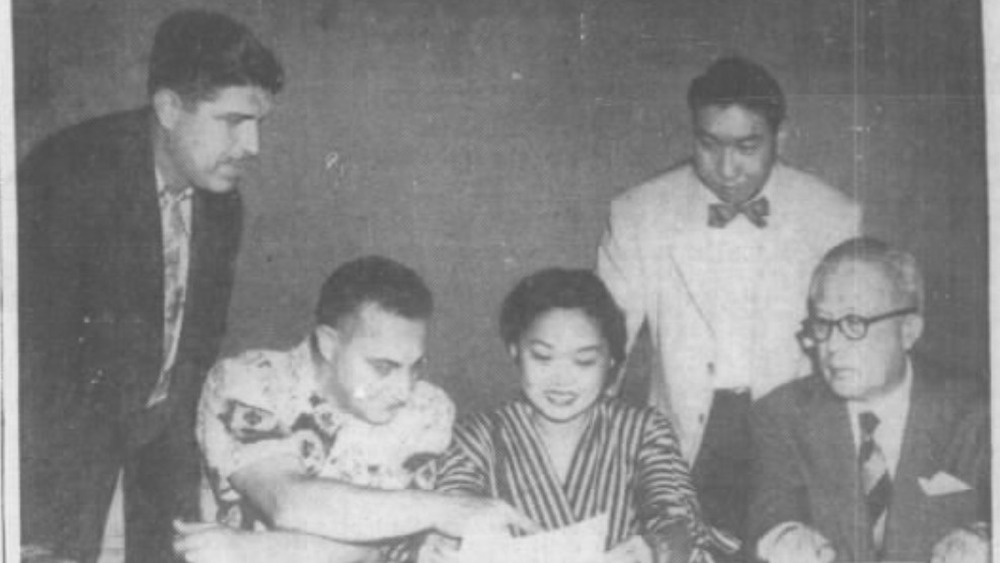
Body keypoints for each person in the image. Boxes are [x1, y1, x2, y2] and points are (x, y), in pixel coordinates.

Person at [18, 10, 283, 563]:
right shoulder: (64, 177)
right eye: (232, 120)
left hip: (160, 430)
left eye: (258, 122)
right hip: (55, 441)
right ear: (168, 108)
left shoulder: (222, 202)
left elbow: (196, 345)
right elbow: (33, 363)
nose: (252, 145)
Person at [595, 55, 861, 541]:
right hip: (686, 434)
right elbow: (601, 348)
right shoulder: (639, 213)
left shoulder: (833, 216)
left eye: (746, 146)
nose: (726, 168)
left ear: (781, 138)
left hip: (793, 433)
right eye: (709, 144)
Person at [178, 256, 537, 563]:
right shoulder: (248, 380)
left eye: (415, 366)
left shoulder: (429, 408)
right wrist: (446, 508)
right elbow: (288, 501)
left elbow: (369, 547)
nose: (404, 389)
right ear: (329, 344)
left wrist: (254, 552)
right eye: (384, 367)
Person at [420, 269, 738, 563]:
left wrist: (656, 548)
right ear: (515, 350)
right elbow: (454, 505)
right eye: (543, 357)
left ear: (612, 359)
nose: (561, 380)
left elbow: (675, 513)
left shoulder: (642, 430)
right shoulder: (478, 434)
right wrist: (445, 546)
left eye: (584, 361)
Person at [750, 238, 990, 563]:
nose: (831, 346)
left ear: (908, 331)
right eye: (823, 324)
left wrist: (984, 538)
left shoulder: (975, 412)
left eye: (853, 323)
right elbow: (769, 509)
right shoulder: (782, 415)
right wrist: (782, 537)